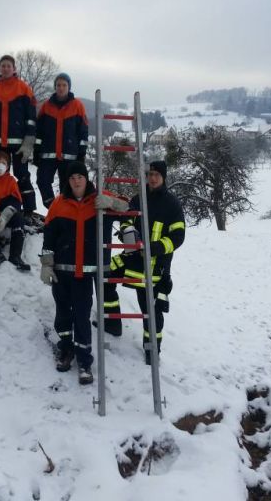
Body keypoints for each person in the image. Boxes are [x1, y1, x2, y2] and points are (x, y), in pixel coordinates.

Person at [40, 161, 127, 385]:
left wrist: (112, 203)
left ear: (86, 178)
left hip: (85, 275)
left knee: (82, 316)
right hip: (62, 272)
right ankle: (66, 350)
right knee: (63, 314)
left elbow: (128, 207)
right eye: (72, 178)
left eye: (80, 176)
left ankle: (85, 361)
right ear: (67, 181)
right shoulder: (58, 204)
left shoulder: (99, 198)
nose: (76, 181)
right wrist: (46, 264)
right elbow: (49, 235)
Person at [103, 160, 185, 363]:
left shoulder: (172, 204)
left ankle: (152, 351)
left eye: (157, 175)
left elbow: (178, 236)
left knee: (151, 311)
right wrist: (127, 233)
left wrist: (155, 248)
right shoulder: (138, 199)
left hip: (154, 267)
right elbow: (126, 219)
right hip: (132, 259)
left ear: (164, 177)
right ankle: (113, 323)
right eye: (151, 174)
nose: (153, 178)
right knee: (105, 275)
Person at [0, 54, 38, 221]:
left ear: (14, 69)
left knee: (22, 176)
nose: (5, 68)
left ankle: (28, 211)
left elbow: (31, 117)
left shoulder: (24, 88)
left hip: (19, 143)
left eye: (8, 65)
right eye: (3, 66)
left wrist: (28, 141)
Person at [34, 73, 89, 208]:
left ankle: (66, 213)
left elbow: (83, 132)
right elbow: (39, 132)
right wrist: (36, 151)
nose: (61, 88)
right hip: (48, 155)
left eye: (64, 85)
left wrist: (81, 153)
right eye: (58, 85)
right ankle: (53, 208)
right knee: (42, 181)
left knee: (67, 187)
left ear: (69, 87)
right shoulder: (46, 106)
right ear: (55, 87)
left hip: (70, 157)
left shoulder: (77, 106)